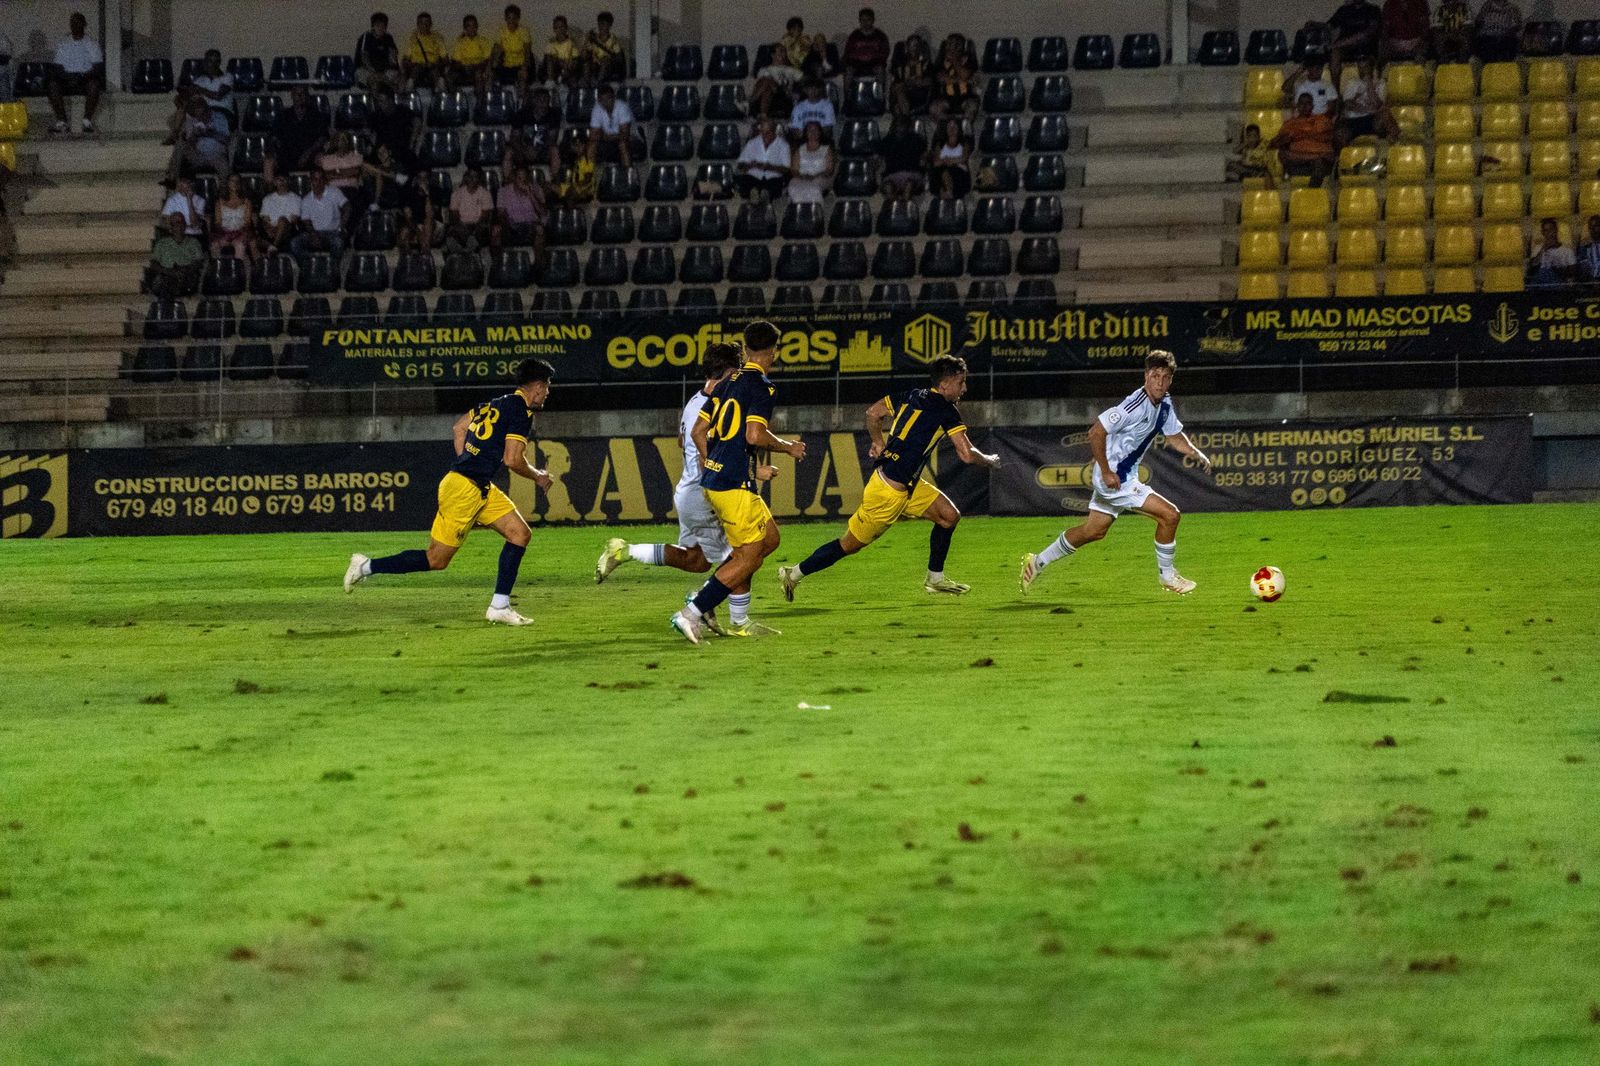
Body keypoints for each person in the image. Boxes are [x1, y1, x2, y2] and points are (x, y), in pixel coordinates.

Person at [345, 359, 556, 627]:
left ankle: (499, 606)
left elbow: (459, 428)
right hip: (464, 489)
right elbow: (513, 460)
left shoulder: (492, 404)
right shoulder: (522, 412)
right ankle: (365, 566)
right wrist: (537, 475)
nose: (548, 392)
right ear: (537, 386)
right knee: (436, 559)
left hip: (477, 486)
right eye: (547, 386)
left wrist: (468, 461)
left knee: (520, 534)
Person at [779, 355, 1000, 602]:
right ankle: (793, 573)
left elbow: (874, 413)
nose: (965, 388)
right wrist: (990, 460)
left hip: (906, 484)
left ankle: (935, 579)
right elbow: (967, 454)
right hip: (888, 493)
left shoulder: (912, 395)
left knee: (949, 517)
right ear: (946, 384)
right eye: (961, 382)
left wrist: (877, 441)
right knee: (848, 545)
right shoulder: (946, 411)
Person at [1020, 350, 1213, 597]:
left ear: (1171, 380)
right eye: (1155, 375)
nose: (1160, 382)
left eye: (1165, 377)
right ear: (1146, 376)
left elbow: (1174, 435)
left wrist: (1196, 452)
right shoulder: (1133, 406)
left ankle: (1036, 562)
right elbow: (1095, 432)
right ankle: (1167, 575)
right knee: (1170, 516)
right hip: (1115, 479)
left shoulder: (1164, 403)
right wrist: (1108, 471)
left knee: (1094, 531)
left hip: (1120, 475)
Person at [670, 321, 807, 645]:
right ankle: (692, 612)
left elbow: (697, 433)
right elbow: (754, 435)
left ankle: (728, 610)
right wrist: (788, 447)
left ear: (745, 349)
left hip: (719, 479)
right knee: (747, 557)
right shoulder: (762, 387)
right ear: (773, 351)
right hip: (732, 484)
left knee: (769, 540)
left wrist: (711, 461)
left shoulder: (725, 383)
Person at [595, 344, 750, 628]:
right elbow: (707, 458)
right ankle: (714, 610)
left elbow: (683, 442)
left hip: (688, 492)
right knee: (742, 558)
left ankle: (624, 551)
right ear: (729, 372)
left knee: (696, 560)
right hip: (705, 494)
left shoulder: (695, 402)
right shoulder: (712, 405)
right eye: (738, 372)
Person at [46, 12, 104, 135]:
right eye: (73, 23)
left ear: (84, 24)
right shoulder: (64, 43)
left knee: (95, 84)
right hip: (66, 78)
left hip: (85, 79)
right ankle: (62, 122)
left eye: (78, 22)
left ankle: (87, 121)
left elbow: (97, 68)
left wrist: (81, 76)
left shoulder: (92, 43)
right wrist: (69, 77)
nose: (75, 25)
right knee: (52, 85)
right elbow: (57, 67)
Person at [1270, 92, 1337, 186]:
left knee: (1319, 164)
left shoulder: (1322, 120)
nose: (1305, 106)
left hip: (1320, 162)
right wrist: (1285, 140)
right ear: (1297, 106)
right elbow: (1274, 143)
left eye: (1308, 103)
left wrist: (1305, 135)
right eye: (1302, 103)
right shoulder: (1289, 124)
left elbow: (1330, 137)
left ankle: (1310, 193)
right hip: (1299, 163)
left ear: (1313, 106)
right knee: (1284, 154)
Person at [266, 86, 329, 183]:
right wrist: (277, 148)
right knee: (269, 162)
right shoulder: (283, 116)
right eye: (297, 94)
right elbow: (274, 136)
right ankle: (270, 196)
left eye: (302, 93)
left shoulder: (316, 115)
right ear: (292, 96)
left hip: (310, 155)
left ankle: (325, 192)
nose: (300, 96)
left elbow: (322, 137)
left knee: (323, 159)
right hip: (287, 156)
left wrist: (307, 154)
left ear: (307, 96)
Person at [168, 93, 231, 182]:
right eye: (198, 116)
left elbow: (226, 140)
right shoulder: (193, 121)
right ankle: (173, 178)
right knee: (180, 145)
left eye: (202, 115)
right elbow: (190, 144)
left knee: (224, 168)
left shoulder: (219, 117)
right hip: (197, 154)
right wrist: (195, 135)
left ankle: (224, 191)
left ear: (207, 110)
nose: (200, 118)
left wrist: (210, 133)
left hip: (215, 154)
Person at [291, 168, 348, 261]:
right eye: (315, 179)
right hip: (315, 232)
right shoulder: (306, 200)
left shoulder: (334, 192)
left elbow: (347, 207)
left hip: (333, 232)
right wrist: (313, 235)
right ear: (311, 180)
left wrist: (341, 227)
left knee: (338, 242)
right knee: (295, 243)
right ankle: (308, 266)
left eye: (321, 179)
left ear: (325, 180)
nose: (319, 182)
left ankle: (333, 269)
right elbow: (306, 221)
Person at [1339, 58, 1399, 142]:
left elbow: (1378, 105)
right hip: (1353, 120)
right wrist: (1365, 109)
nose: (1362, 70)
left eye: (1365, 67)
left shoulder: (1380, 83)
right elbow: (1348, 104)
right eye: (1360, 67)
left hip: (1371, 120)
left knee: (1385, 115)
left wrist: (1369, 84)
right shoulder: (1352, 82)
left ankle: (1396, 146)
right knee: (1340, 131)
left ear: (1371, 68)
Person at [148, 212, 205, 298]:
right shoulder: (162, 243)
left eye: (181, 222)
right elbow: (153, 263)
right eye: (174, 223)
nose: (178, 225)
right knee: (163, 282)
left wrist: (184, 270)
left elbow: (199, 262)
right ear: (170, 227)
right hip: (167, 274)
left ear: (185, 225)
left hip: (186, 275)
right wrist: (168, 271)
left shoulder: (194, 243)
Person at [496, 163, 546, 255]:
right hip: (512, 225)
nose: (522, 181)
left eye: (524, 178)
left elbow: (542, 213)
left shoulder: (536, 189)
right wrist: (507, 223)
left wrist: (531, 195)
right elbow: (501, 213)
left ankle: (539, 264)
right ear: (514, 178)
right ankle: (500, 263)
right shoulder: (503, 191)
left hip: (531, 224)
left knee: (540, 230)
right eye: (519, 178)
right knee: (496, 231)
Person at [735, 117, 791, 200]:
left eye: (768, 132)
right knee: (745, 181)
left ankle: (762, 194)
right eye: (763, 132)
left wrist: (769, 167)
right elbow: (740, 164)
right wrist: (750, 165)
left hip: (773, 177)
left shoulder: (783, 145)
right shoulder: (752, 143)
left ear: (774, 131)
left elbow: (786, 169)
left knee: (774, 185)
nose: (765, 135)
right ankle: (756, 194)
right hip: (754, 175)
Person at [508, 87, 562, 173]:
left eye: (546, 101)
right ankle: (508, 181)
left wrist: (537, 150)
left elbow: (552, 139)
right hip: (524, 149)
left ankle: (554, 181)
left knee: (555, 150)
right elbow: (514, 138)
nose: (543, 104)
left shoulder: (553, 115)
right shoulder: (521, 115)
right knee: (509, 153)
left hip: (544, 150)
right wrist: (524, 150)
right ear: (534, 101)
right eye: (540, 100)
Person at [1326, 0, 1383, 78]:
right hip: (1345, 48)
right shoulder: (1344, 10)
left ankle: (1366, 86)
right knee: (1334, 54)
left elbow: (1367, 32)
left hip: (1365, 47)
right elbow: (1329, 25)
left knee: (1364, 58)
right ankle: (1335, 89)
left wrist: (1340, 43)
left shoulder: (1373, 9)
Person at [445, 166, 495, 252]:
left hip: (478, 225)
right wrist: (464, 229)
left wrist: (474, 230)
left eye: (475, 176)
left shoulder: (485, 194)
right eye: (470, 176)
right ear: (466, 177)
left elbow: (485, 216)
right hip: (462, 226)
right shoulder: (457, 193)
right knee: (453, 232)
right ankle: (464, 251)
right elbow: (454, 215)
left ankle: (469, 250)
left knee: (481, 230)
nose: (472, 179)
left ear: (479, 179)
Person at [318, 131, 366, 216]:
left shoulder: (356, 157)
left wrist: (335, 173)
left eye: (345, 140)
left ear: (349, 142)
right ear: (335, 142)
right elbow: (326, 176)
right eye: (340, 140)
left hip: (350, 190)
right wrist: (346, 172)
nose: (342, 142)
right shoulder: (327, 159)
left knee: (355, 201)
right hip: (332, 190)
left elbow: (355, 172)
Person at [879, 114, 926, 199]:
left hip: (912, 173)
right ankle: (893, 210)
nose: (900, 128)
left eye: (902, 125)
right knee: (888, 187)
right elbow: (880, 155)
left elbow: (923, 155)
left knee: (909, 185)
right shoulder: (888, 140)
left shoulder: (916, 139)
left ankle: (905, 209)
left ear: (907, 126)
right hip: (892, 174)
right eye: (898, 125)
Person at [587, 83, 634, 167]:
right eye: (602, 100)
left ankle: (628, 175)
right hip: (609, 140)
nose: (605, 103)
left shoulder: (622, 107)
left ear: (613, 98)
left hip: (633, 139)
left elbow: (625, 135)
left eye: (608, 99)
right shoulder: (597, 109)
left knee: (623, 144)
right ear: (599, 100)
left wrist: (605, 136)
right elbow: (593, 135)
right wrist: (607, 137)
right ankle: (590, 176)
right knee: (591, 146)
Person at [369, 88, 418, 169]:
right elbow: (372, 134)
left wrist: (413, 140)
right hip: (381, 153)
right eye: (378, 101)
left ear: (391, 100)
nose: (379, 104)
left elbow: (417, 121)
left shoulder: (402, 111)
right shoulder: (376, 115)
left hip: (400, 152)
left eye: (382, 101)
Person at [787, 121, 834, 204]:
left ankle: (815, 210)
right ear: (806, 133)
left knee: (812, 188)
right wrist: (802, 176)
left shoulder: (826, 149)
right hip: (802, 177)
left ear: (819, 133)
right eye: (810, 130)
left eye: (815, 130)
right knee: (793, 187)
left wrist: (816, 176)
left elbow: (829, 169)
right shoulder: (800, 149)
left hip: (820, 177)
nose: (813, 133)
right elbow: (794, 169)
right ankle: (800, 208)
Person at [355, 12, 403, 92]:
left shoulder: (388, 38)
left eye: (383, 26)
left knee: (400, 79)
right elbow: (364, 59)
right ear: (373, 26)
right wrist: (375, 72)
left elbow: (393, 58)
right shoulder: (366, 37)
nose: (381, 28)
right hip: (367, 69)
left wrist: (391, 69)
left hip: (385, 70)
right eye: (378, 26)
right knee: (374, 81)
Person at [211, 173, 255, 258]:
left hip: (240, 232)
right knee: (214, 245)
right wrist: (224, 233)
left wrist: (241, 232)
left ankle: (238, 269)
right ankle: (218, 268)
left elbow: (247, 222)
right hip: (224, 233)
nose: (235, 183)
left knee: (240, 245)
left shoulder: (246, 202)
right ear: (228, 183)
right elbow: (218, 222)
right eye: (232, 181)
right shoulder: (219, 202)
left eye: (237, 181)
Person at [492, 4, 536, 89]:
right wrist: (494, 66)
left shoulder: (524, 31)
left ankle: (521, 101)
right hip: (506, 65)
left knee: (522, 77)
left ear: (518, 19)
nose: (511, 21)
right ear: (505, 18)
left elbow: (527, 52)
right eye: (509, 18)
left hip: (521, 65)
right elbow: (496, 50)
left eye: (514, 18)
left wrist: (524, 67)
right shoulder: (501, 31)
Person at [934, 33, 977, 119]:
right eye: (950, 44)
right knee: (935, 108)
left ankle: (966, 130)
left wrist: (954, 60)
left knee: (971, 107)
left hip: (966, 97)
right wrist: (963, 80)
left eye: (957, 45)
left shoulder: (968, 60)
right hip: (947, 98)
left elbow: (965, 74)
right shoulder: (941, 61)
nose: (952, 48)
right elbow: (942, 78)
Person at [190, 49, 236, 130]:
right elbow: (194, 97)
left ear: (219, 63)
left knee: (205, 118)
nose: (212, 64)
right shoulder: (200, 80)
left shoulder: (227, 77)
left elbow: (218, 96)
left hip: (223, 111)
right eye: (209, 61)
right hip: (205, 111)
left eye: (215, 61)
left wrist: (199, 89)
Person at [402, 11, 449, 89]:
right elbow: (406, 58)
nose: (424, 25)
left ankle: (439, 92)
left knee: (436, 72)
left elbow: (445, 59)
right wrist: (409, 65)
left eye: (427, 22)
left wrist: (436, 64)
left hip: (433, 66)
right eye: (421, 23)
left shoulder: (438, 38)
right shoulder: (413, 39)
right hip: (416, 67)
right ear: (418, 25)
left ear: (431, 24)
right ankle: (409, 89)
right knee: (414, 71)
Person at [1526, 217, 1578, 287]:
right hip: (1540, 284)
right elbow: (1531, 269)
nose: (1549, 233)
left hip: (1558, 283)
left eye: (1551, 229)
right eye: (1546, 230)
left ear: (1556, 230)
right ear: (1543, 233)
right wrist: (1543, 249)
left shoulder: (1567, 251)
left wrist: (1557, 268)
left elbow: (1573, 272)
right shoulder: (1538, 248)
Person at [891, 34, 934, 115]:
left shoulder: (926, 64)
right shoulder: (900, 65)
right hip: (903, 94)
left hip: (919, 95)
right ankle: (905, 119)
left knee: (900, 103)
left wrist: (917, 82)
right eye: (912, 45)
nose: (914, 48)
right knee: (898, 105)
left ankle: (905, 119)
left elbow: (930, 81)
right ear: (907, 47)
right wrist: (907, 83)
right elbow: (895, 85)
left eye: (917, 45)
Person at [257, 173, 301, 252]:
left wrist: (277, 229)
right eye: (279, 180)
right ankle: (272, 247)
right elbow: (265, 219)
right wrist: (269, 228)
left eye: (284, 180)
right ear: (274, 182)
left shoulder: (296, 199)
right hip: (271, 229)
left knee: (282, 219)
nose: (282, 182)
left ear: (288, 181)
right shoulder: (267, 199)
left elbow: (293, 220)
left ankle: (274, 246)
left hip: (288, 230)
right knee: (255, 238)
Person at [450, 14, 494, 93]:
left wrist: (477, 66)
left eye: (474, 25)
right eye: (468, 26)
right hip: (464, 69)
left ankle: (479, 101)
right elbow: (456, 61)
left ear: (477, 26)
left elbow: (488, 59)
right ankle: (454, 100)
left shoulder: (483, 41)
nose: (472, 28)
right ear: (465, 28)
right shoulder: (460, 42)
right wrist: (465, 67)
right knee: (449, 74)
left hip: (479, 68)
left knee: (479, 74)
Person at [928, 118, 970, 199]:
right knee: (939, 171)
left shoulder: (964, 143)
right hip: (942, 170)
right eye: (949, 127)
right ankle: (946, 193)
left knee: (947, 171)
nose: (952, 129)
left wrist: (950, 161)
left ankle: (948, 193)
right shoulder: (940, 144)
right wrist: (949, 161)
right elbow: (936, 162)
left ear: (958, 129)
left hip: (959, 172)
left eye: (954, 127)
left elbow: (964, 158)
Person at [843, 8, 891, 76]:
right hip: (857, 64)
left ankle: (880, 86)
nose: (865, 23)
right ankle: (847, 87)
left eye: (868, 20)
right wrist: (859, 57)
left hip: (874, 63)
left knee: (880, 70)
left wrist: (872, 57)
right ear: (860, 21)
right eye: (863, 20)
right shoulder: (854, 35)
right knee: (848, 70)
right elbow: (848, 52)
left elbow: (885, 52)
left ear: (873, 20)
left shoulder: (880, 35)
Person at [584, 11, 627, 83]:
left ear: (609, 25)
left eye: (604, 24)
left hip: (608, 66)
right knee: (586, 65)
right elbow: (587, 54)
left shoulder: (613, 40)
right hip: (595, 65)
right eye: (600, 24)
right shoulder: (594, 38)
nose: (601, 27)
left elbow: (619, 58)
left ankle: (599, 83)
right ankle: (587, 86)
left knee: (605, 61)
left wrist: (609, 58)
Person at [543, 15, 581, 86]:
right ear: (554, 29)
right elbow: (549, 58)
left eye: (562, 27)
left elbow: (575, 60)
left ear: (566, 28)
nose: (560, 30)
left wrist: (567, 66)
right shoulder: (551, 43)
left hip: (568, 68)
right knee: (550, 59)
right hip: (555, 68)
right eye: (557, 28)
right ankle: (551, 81)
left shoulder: (571, 42)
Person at [1578, 215, 1600, 284]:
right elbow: (1584, 269)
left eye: (1596, 226)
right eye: (1590, 227)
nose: (1592, 229)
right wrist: (1593, 281)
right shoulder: (1585, 246)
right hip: (1591, 282)